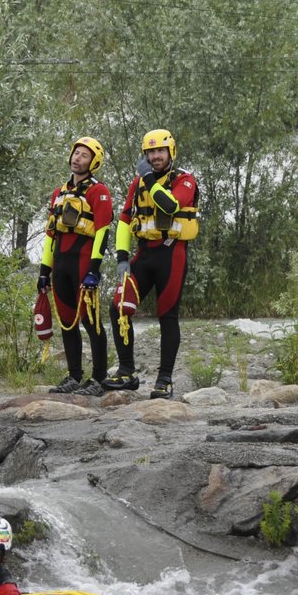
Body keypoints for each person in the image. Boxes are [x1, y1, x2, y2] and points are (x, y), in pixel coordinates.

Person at [103, 128, 199, 400]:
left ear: (170, 152)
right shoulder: (137, 185)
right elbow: (124, 220)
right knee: (118, 308)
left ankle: (164, 380)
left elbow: (169, 206)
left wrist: (147, 177)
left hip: (172, 255)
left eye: (160, 151)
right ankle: (126, 371)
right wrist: (122, 257)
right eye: (150, 152)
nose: (155, 156)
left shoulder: (185, 180)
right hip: (144, 255)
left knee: (167, 316)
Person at [38, 136, 113, 396]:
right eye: (76, 153)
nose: (77, 158)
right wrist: (44, 272)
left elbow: (103, 231)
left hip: (83, 264)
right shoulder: (58, 193)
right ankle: (74, 376)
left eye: (84, 155)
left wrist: (94, 269)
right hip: (60, 264)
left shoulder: (98, 191)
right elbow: (50, 235)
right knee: (67, 322)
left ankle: (100, 379)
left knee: (91, 322)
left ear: (94, 162)